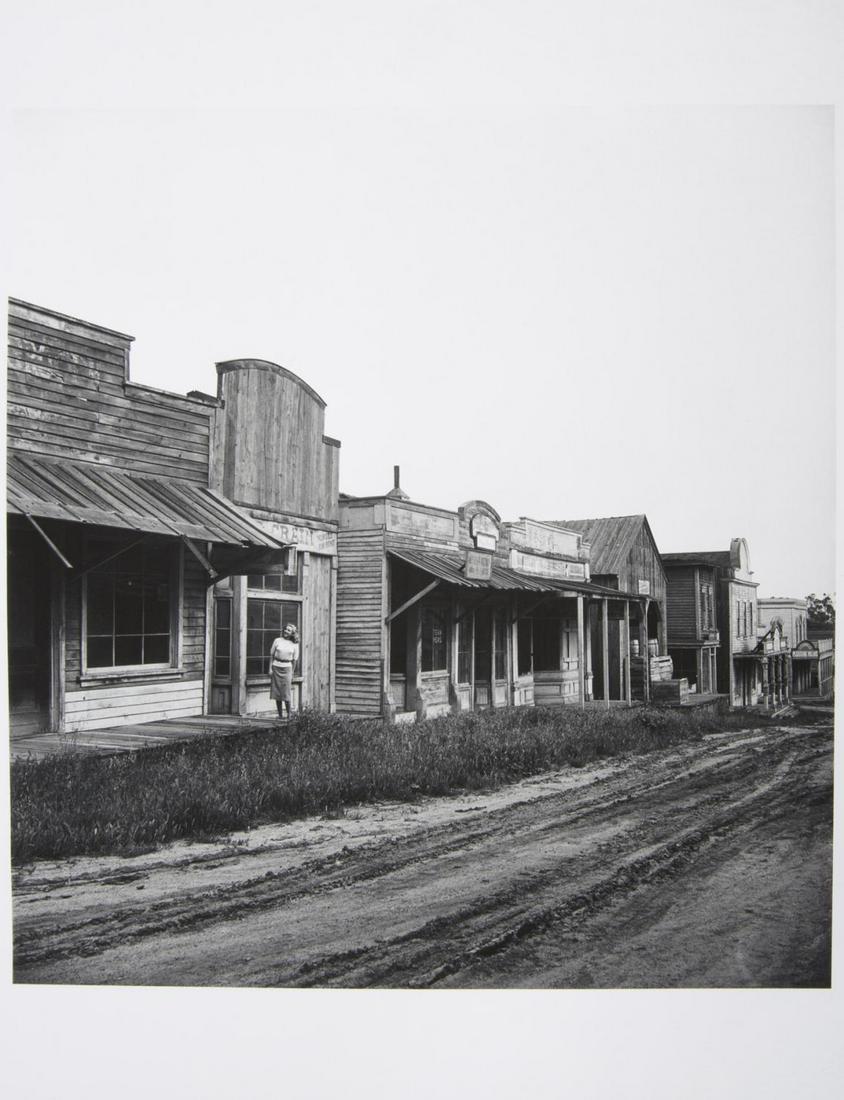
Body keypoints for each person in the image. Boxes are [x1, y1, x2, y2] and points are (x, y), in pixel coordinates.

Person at [269, 623, 300, 719]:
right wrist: (270, 668)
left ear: (292, 633)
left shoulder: (295, 644)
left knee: (286, 692)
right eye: (285, 629)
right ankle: (280, 715)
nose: (286, 631)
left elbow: (295, 660)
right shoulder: (277, 640)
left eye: (289, 630)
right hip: (276, 666)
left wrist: (292, 673)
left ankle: (289, 715)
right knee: (277, 692)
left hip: (287, 668)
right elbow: (271, 655)